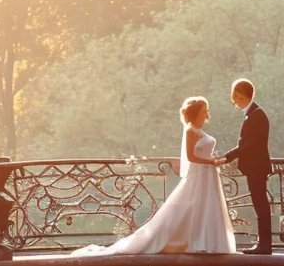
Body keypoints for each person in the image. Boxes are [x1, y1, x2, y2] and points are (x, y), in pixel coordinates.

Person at [71, 97, 236, 256]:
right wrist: (211, 162)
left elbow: (202, 152)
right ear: (196, 112)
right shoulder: (190, 130)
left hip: (208, 174)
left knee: (207, 206)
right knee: (189, 206)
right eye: (203, 110)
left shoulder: (199, 131)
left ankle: (209, 242)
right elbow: (191, 157)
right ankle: (189, 241)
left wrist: (213, 160)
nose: (206, 113)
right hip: (201, 173)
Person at [217, 79, 273, 254]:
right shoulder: (256, 114)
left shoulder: (256, 116)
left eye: (235, 95)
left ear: (240, 95)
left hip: (257, 168)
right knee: (260, 205)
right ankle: (264, 244)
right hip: (256, 167)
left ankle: (264, 245)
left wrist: (225, 158)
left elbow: (246, 145)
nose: (233, 100)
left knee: (261, 205)